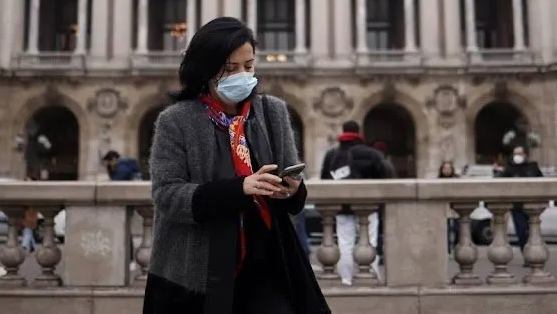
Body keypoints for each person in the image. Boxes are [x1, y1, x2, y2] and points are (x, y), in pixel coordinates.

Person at [144, 17, 329, 314]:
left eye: (249, 65)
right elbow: (167, 196)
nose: (242, 75)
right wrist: (239, 189)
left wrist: (292, 190)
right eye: (229, 68)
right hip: (197, 274)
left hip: (267, 265)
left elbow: (293, 195)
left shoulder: (273, 112)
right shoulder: (176, 121)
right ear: (205, 69)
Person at [320, 120, 394, 285]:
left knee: (345, 244)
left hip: (341, 207)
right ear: (359, 133)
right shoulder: (372, 154)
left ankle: (346, 279)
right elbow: (385, 177)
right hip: (369, 206)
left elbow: (324, 180)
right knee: (370, 241)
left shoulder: (332, 155)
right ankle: (372, 275)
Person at [500, 145, 543, 250]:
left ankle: (533, 251)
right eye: (515, 154)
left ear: (525, 155)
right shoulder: (510, 168)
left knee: (532, 229)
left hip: (531, 203)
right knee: (521, 230)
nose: (516, 156)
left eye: (519, 153)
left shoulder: (532, 167)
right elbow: (501, 182)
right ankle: (525, 252)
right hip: (517, 205)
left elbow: (541, 181)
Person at [438, 161, 460, 251]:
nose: (447, 170)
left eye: (448, 168)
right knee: (445, 229)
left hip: (455, 208)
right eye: (445, 168)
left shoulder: (456, 180)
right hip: (443, 208)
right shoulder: (438, 181)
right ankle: (447, 249)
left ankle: (456, 245)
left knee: (457, 228)